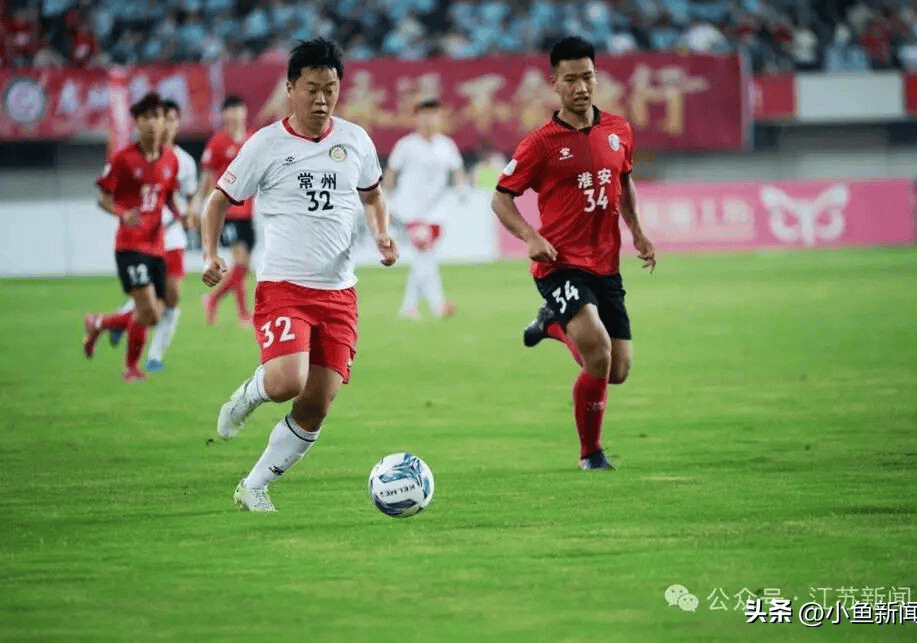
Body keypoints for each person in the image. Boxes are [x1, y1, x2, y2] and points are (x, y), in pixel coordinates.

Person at [200, 38, 399, 512]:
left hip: (339, 293)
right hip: (284, 287)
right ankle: (251, 393)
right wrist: (209, 254)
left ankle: (253, 486)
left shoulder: (355, 140)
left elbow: (373, 194)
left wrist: (382, 234)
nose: (322, 99)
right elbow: (218, 200)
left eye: (330, 89)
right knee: (287, 381)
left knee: (317, 404)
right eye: (312, 89)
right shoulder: (266, 144)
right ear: (290, 89)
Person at [491, 36, 657, 471]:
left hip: (606, 265)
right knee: (598, 351)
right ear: (554, 83)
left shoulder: (619, 131)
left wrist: (638, 232)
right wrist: (530, 237)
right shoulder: (540, 143)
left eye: (587, 77)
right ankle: (591, 454)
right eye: (570, 79)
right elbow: (501, 199)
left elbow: (623, 182)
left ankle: (551, 325)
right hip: (559, 265)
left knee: (617, 370)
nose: (581, 87)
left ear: (596, 77)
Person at [82, 93, 179, 382]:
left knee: (153, 315)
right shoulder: (123, 159)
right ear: (136, 123)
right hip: (130, 245)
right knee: (146, 308)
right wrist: (122, 213)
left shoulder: (170, 159)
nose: (152, 123)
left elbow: (167, 196)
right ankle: (131, 369)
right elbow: (103, 197)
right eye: (145, 117)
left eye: (157, 117)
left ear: (164, 122)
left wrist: (183, 215)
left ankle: (99, 322)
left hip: (157, 247)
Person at [108, 99, 198, 372]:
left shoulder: (185, 161)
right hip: (144, 238)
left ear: (177, 124)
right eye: (162, 119)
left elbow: (191, 197)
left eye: (172, 119)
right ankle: (119, 320)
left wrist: (190, 213)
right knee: (153, 299)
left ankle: (154, 355)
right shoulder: (134, 157)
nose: (166, 125)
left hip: (173, 236)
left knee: (172, 298)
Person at [383, 99, 467, 320]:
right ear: (416, 118)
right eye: (424, 115)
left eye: (433, 115)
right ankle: (438, 305)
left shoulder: (446, 145)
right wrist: (386, 199)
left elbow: (457, 170)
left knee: (426, 256)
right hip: (411, 210)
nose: (429, 120)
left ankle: (409, 307)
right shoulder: (406, 145)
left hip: (437, 211)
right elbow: (391, 171)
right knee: (425, 252)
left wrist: (462, 188)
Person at [190, 96, 255, 326]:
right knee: (241, 262)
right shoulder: (217, 142)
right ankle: (243, 314)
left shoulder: (253, 139)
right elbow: (207, 177)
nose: (235, 114)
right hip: (227, 212)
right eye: (231, 110)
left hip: (249, 212)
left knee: (243, 267)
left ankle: (213, 299)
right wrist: (198, 203)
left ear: (245, 112)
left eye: (239, 109)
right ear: (224, 115)